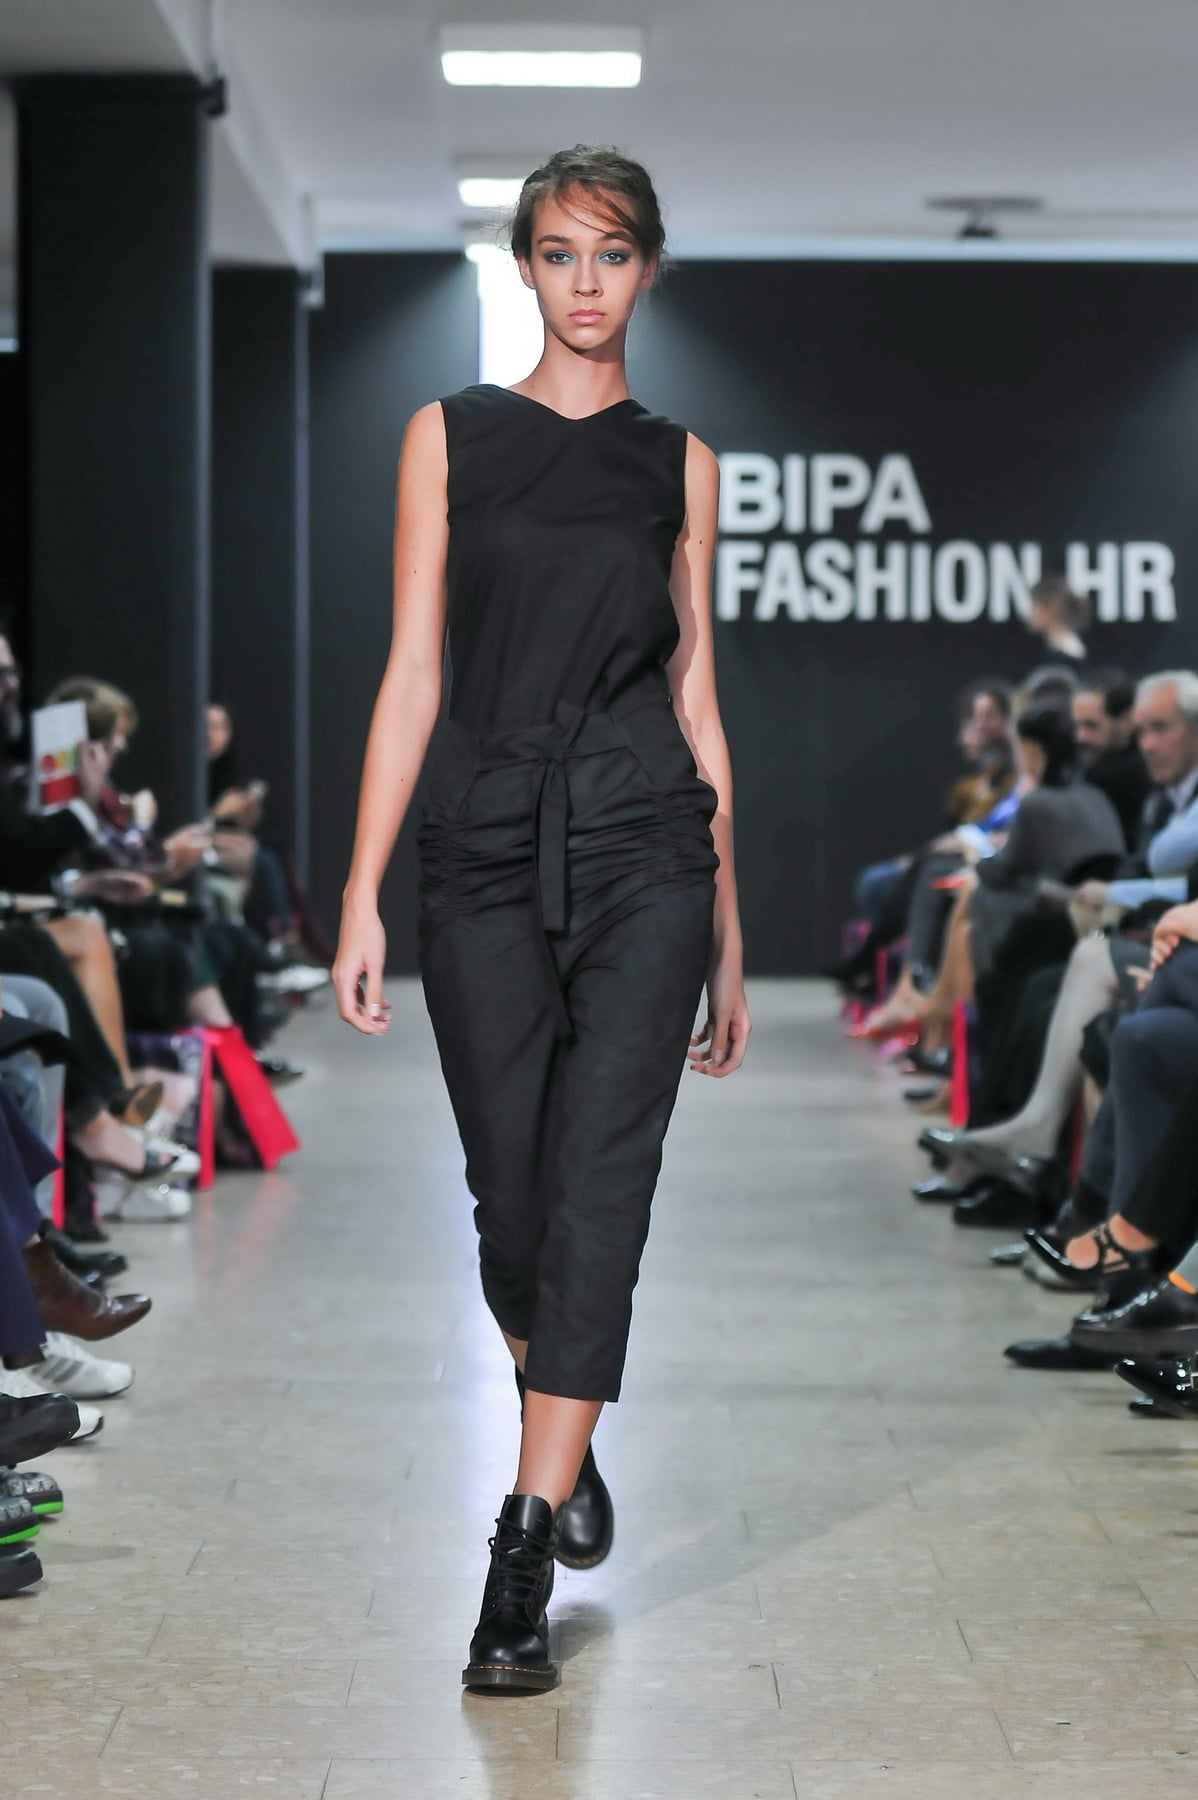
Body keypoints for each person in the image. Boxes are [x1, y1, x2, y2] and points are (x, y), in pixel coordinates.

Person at [333, 144, 749, 1695]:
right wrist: (360, 890)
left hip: (646, 846)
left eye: (613, 252)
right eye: (560, 253)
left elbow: (698, 696)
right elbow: (412, 672)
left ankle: (518, 1552)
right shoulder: (446, 436)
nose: (586, 282)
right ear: (522, 266)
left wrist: (728, 923)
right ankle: (560, 1432)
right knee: (510, 1198)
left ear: (648, 268)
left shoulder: (680, 463)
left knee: (598, 1190)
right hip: (484, 846)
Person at [1025, 572, 1089, 669]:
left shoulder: (1068, 652)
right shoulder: (1053, 647)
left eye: (1035, 606)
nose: (1031, 613)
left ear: (1052, 608)